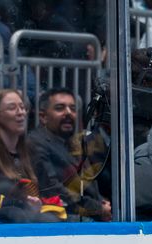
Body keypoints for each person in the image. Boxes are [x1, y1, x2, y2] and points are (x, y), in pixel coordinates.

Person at [28, 88, 111, 221]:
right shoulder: (36, 144)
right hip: (61, 219)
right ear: (43, 117)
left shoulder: (69, 142)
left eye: (72, 108)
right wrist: (98, 208)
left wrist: (102, 203)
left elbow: (86, 184)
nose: (68, 113)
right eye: (60, 108)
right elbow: (53, 189)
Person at [0, 89, 66, 222]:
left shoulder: (32, 152)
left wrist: (40, 207)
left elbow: (51, 196)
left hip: (31, 220)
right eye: (12, 108)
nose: (21, 112)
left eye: (22, 107)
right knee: (15, 214)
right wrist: (22, 204)